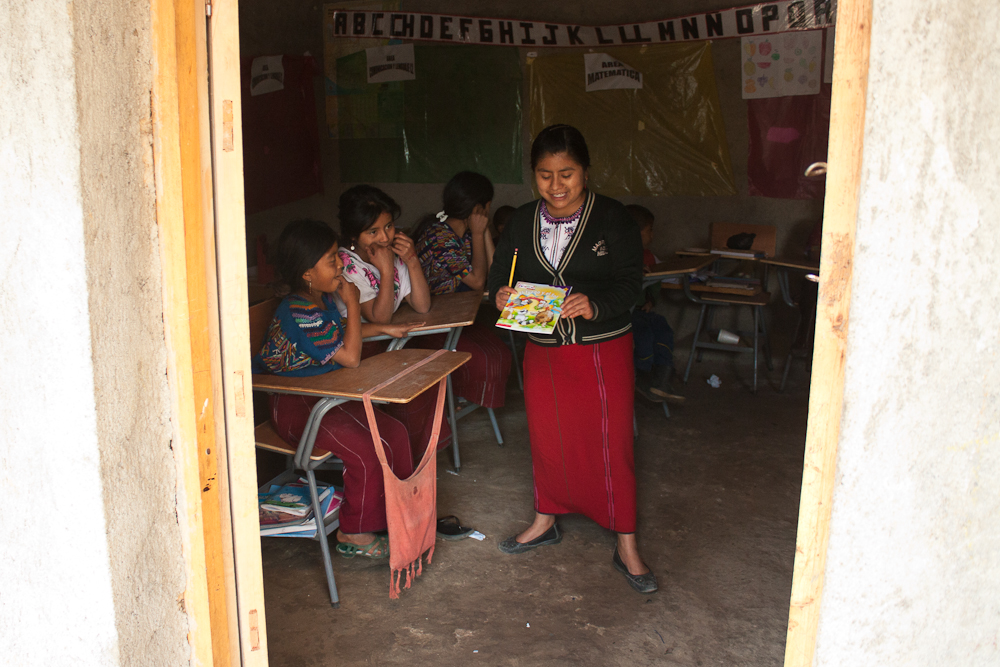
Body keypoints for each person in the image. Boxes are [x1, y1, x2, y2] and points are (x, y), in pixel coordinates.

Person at [487, 124, 657, 594]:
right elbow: (500, 275)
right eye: (545, 175)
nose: (556, 186)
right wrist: (499, 294)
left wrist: (593, 303)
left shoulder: (614, 219)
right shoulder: (522, 220)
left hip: (601, 347)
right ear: (533, 175)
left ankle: (626, 543)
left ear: (585, 171)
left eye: (567, 173)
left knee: (612, 440)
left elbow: (630, 284)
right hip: (543, 350)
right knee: (547, 436)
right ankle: (547, 519)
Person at [253, 219, 422, 559]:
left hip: (327, 396)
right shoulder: (298, 310)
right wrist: (355, 300)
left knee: (396, 433)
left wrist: (384, 327)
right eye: (332, 259)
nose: (342, 264)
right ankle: (354, 531)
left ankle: (398, 519)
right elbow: (350, 356)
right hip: (296, 407)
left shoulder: (319, 300)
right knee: (365, 450)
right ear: (307, 273)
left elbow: (342, 327)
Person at [335, 185, 447, 459]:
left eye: (389, 226)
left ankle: (422, 454)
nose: (385, 237)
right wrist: (386, 270)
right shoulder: (346, 265)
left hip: (388, 345)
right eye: (373, 232)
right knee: (414, 385)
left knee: (430, 375)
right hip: (361, 354)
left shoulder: (390, 254)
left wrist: (410, 260)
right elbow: (380, 317)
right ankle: (407, 456)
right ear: (354, 236)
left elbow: (421, 305)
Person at [413, 172, 512, 409]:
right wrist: (478, 233)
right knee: (486, 359)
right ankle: (456, 397)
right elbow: (478, 281)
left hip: (460, 320)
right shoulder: (438, 236)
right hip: (433, 325)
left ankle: (465, 396)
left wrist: (484, 231)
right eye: (486, 206)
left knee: (500, 353)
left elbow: (493, 275)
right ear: (478, 207)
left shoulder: (466, 235)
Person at [626, 204, 681, 404]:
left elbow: (655, 283)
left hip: (641, 311)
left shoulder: (648, 256)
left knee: (663, 328)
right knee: (644, 336)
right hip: (624, 314)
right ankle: (643, 376)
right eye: (649, 230)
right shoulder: (619, 256)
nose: (653, 235)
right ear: (635, 233)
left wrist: (650, 301)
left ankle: (662, 377)